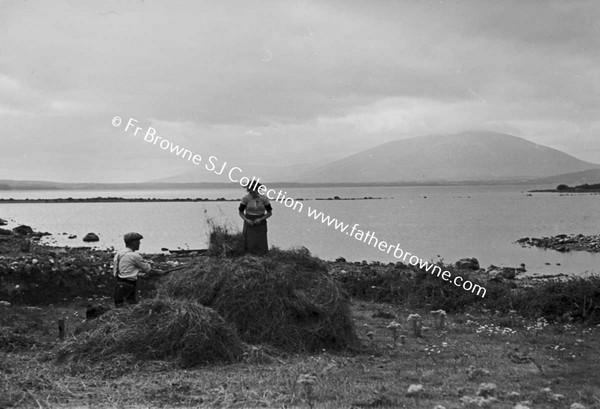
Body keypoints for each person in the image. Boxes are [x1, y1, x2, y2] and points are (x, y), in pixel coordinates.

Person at [113, 232, 156, 306]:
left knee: (120, 309)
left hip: (119, 287)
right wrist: (159, 272)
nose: (139, 243)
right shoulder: (134, 256)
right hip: (128, 287)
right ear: (133, 242)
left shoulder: (118, 254)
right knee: (130, 308)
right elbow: (149, 271)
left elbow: (121, 272)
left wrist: (139, 275)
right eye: (138, 241)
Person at [238, 182, 272, 255]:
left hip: (261, 223)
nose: (253, 194)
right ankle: (249, 256)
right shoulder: (245, 198)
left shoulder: (264, 198)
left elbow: (269, 213)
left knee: (261, 242)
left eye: (254, 192)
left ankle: (262, 256)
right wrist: (246, 220)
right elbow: (240, 212)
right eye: (251, 192)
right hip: (249, 222)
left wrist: (261, 219)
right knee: (249, 242)